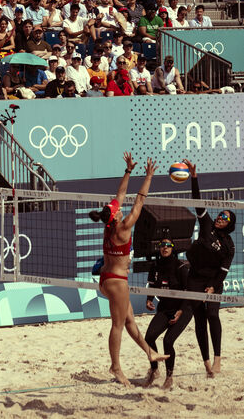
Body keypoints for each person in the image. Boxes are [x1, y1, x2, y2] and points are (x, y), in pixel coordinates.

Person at [89, 152, 166, 386]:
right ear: (115, 216)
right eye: (118, 209)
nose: (120, 207)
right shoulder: (123, 229)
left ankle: (150, 353)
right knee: (118, 325)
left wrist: (129, 171)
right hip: (116, 281)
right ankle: (115, 366)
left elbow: (120, 194)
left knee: (129, 319)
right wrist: (149, 176)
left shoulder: (109, 224)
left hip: (106, 279)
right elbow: (139, 201)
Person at [165, 159, 235, 378]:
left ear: (230, 224)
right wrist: (194, 178)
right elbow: (197, 201)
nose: (220, 218)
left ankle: (217, 359)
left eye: (225, 217)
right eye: (220, 214)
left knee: (213, 314)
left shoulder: (229, 246)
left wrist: (213, 287)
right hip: (195, 277)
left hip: (214, 281)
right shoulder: (206, 226)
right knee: (200, 320)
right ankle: (206, 363)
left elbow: (223, 271)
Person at [144, 237, 189, 390]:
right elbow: (151, 286)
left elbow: (188, 293)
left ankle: (169, 376)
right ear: (159, 248)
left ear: (172, 248)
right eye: (162, 245)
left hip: (183, 309)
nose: (165, 247)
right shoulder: (155, 266)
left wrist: (180, 311)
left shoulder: (180, 266)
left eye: (168, 245)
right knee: (149, 337)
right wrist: (149, 299)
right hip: (165, 308)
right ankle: (154, 370)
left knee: (168, 341)